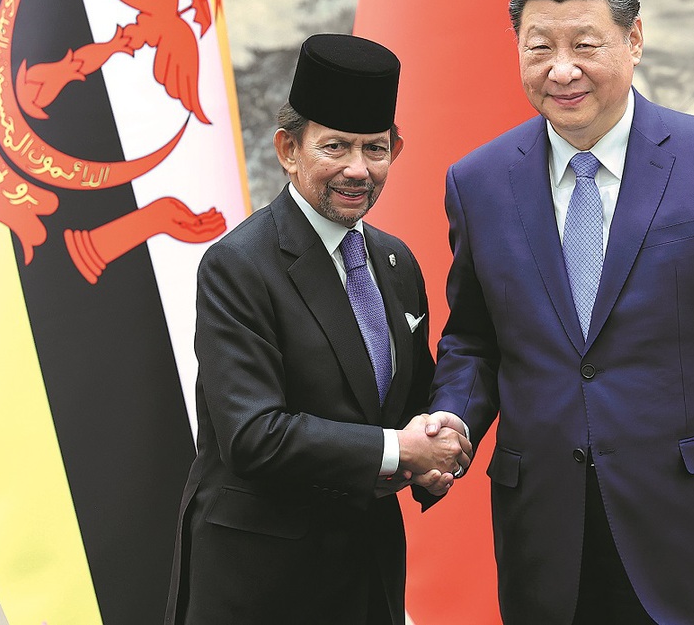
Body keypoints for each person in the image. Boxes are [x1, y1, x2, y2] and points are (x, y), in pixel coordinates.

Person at [426, 0, 694, 625]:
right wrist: (453, 420)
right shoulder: (478, 182)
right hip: (547, 535)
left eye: (585, 45)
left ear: (633, 39)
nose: (561, 70)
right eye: (539, 47)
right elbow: (474, 336)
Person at [165, 33, 472, 624]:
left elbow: (411, 400)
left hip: (366, 576)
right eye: (335, 147)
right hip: (261, 584)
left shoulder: (396, 263)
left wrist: (436, 449)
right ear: (288, 149)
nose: (358, 169)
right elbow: (253, 434)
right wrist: (398, 449)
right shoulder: (239, 264)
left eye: (374, 149)